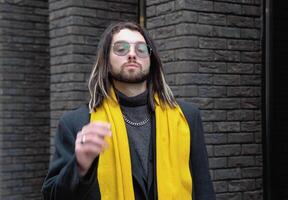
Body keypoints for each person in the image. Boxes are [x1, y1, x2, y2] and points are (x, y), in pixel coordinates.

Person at [42, 21, 215, 200]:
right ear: (106, 60)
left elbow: (203, 188)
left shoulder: (186, 117)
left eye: (141, 49)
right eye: (121, 48)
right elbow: (52, 195)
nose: (132, 54)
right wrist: (79, 167)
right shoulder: (77, 124)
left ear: (151, 60)